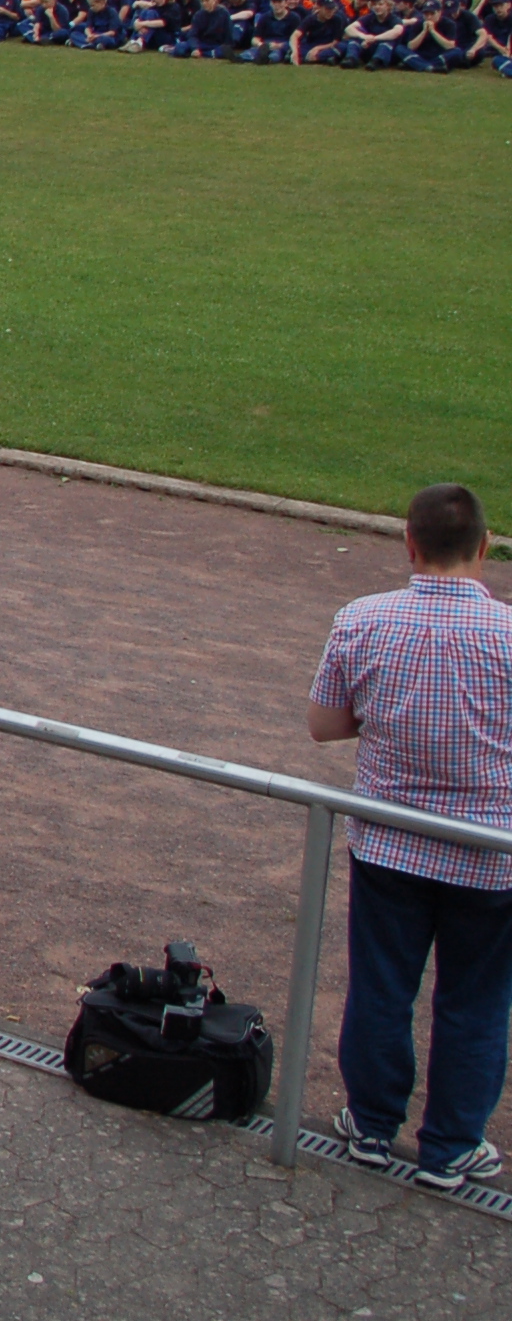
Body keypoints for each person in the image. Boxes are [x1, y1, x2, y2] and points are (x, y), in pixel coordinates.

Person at [310, 483, 512, 1192]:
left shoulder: (363, 620)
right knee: (478, 1000)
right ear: (485, 548)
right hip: (492, 855)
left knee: (382, 987)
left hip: (390, 843)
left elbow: (325, 724)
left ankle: (369, 1125)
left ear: (411, 544)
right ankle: (452, 1148)